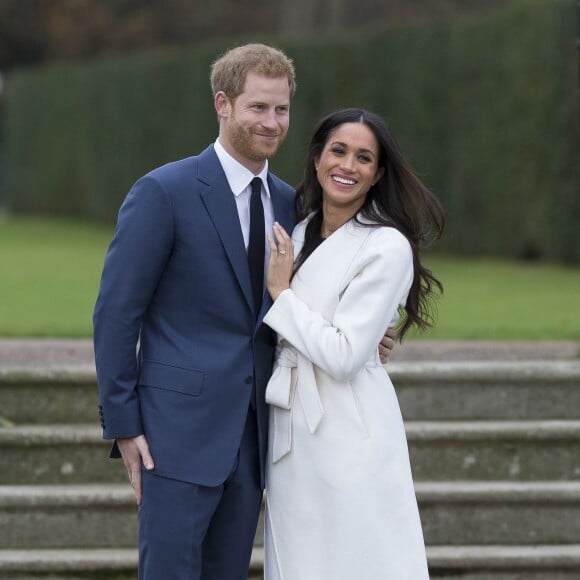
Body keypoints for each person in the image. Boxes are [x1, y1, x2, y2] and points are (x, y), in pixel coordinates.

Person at [93, 45, 394, 579]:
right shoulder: (165, 191)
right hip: (175, 437)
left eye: (281, 110)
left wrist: (369, 334)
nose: (271, 122)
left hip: (258, 439)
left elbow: (309, 299)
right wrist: (123, 424)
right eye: (257, 107)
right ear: (223, 104)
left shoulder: (292, 205)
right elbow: (117, 315)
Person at [263, 108, 445, 579]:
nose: (348, 166)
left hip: (350, 425)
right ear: (318, 157)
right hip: (290, 426)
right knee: (300, 559)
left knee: (359, 557)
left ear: (378, 173)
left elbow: (344, 356)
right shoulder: (297, 232)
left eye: (364, 158)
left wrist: (282, 297)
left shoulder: (386, 246)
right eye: (338, 151)